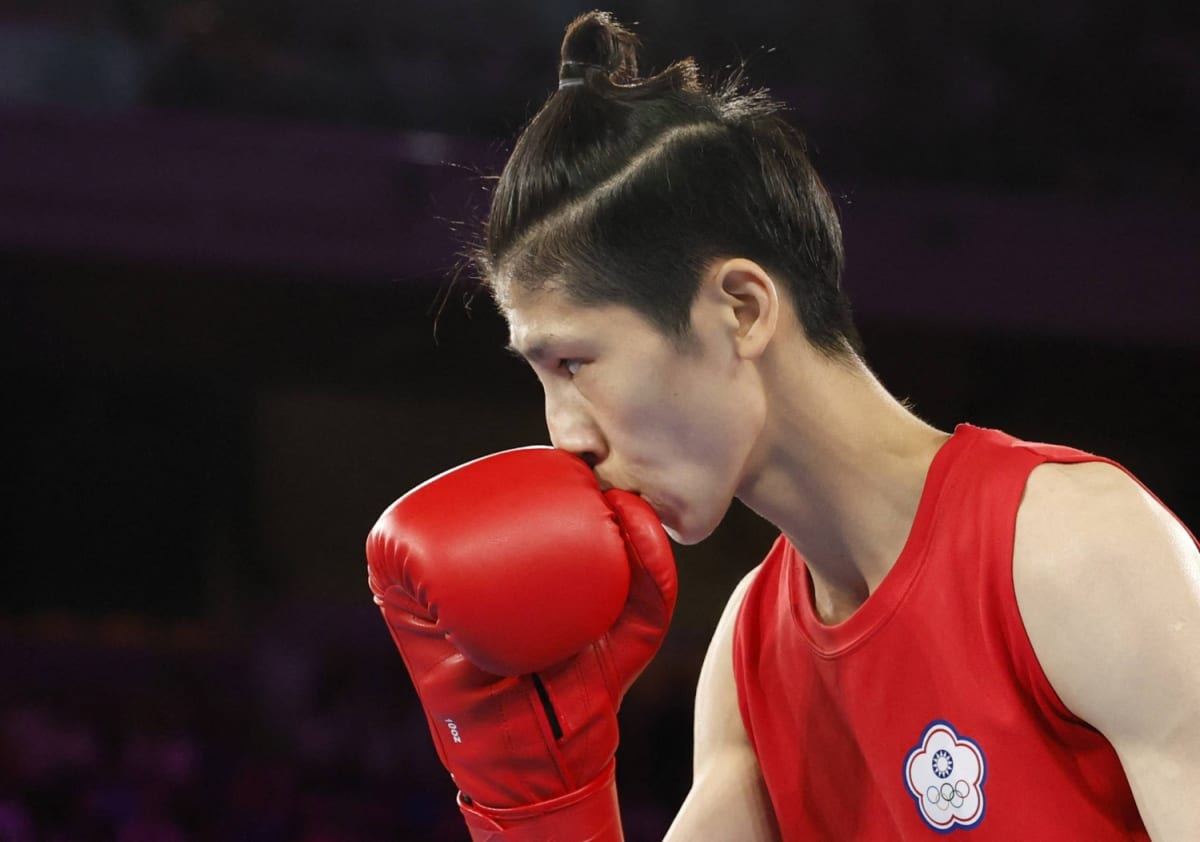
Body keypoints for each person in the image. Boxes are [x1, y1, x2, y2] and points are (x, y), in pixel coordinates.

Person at [367, 11, 1200, 840]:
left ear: (741, 308)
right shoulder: (750, 658)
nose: (566, 436)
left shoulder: (1076, 553)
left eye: (576, 364)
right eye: (542, 375)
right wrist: (542, 804)